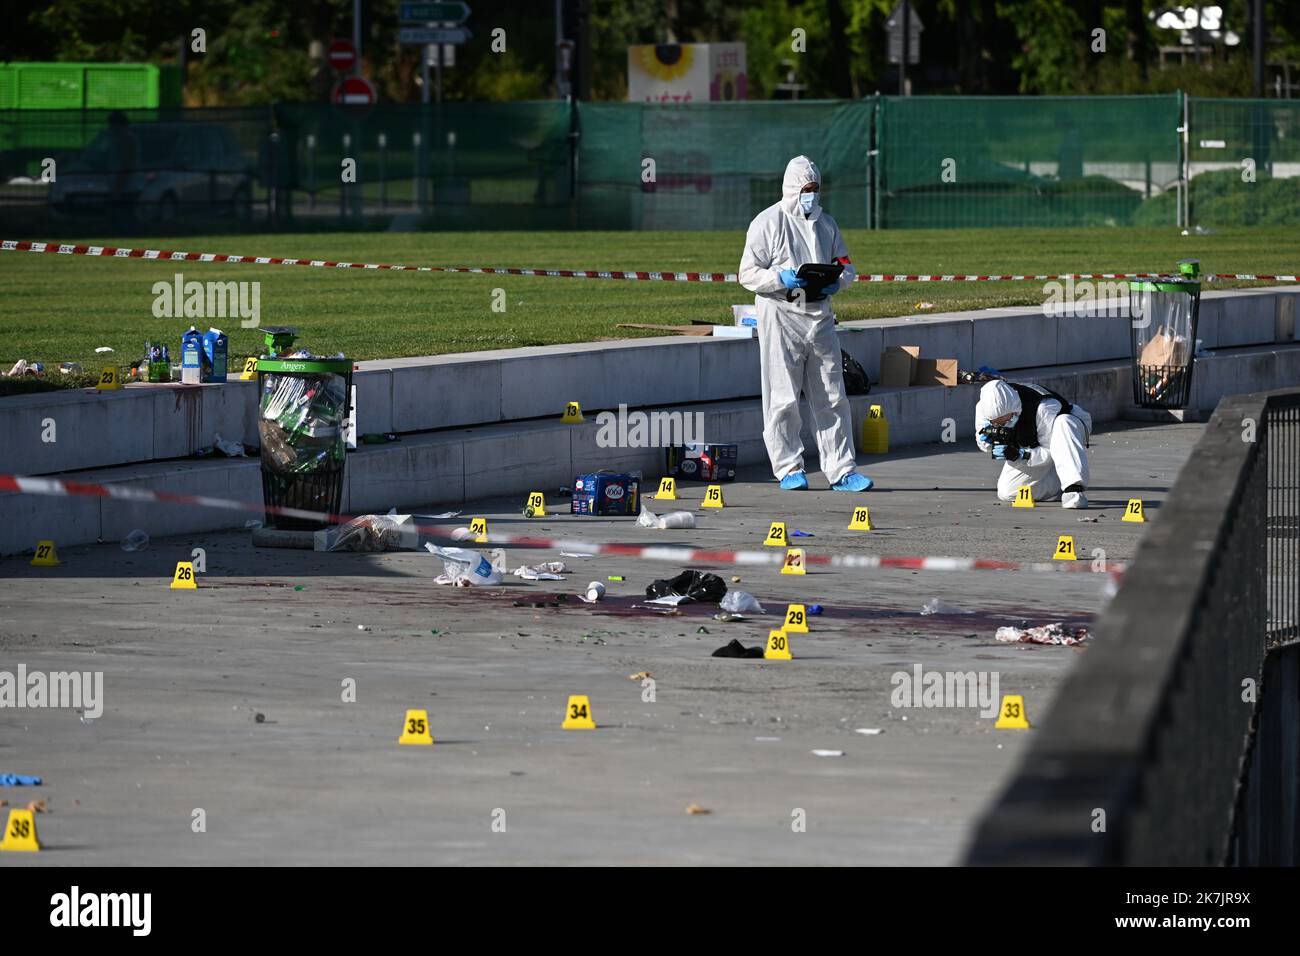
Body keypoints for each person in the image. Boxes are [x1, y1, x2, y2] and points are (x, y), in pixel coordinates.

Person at [738, 155, 873, 492]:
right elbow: (746, 273)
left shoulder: (827, 224)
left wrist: (837, 281)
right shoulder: (767, 222)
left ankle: (842, 470)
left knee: (832, 394)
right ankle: (788, 468)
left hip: (820, 314)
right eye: (805, 189)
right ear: (792, 189)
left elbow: (846, 265)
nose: (811, 195)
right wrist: (779, 277)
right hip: (781, 315)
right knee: (782, 396)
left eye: (815, 188)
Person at [975, 380, 1093, 509]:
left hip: (1071, 426)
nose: (1003, 426)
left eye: (1007, 420)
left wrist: (1023, 455)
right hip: (1031, 442)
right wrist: (989, 442)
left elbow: (1050, 450)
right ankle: (1057, 485)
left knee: (1063, 422)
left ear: (1015, 410)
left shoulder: (1044, 408)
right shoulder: (984, 409)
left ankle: (1073, 489)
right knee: (1008, 491)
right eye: (997, 423)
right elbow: (983, 442)